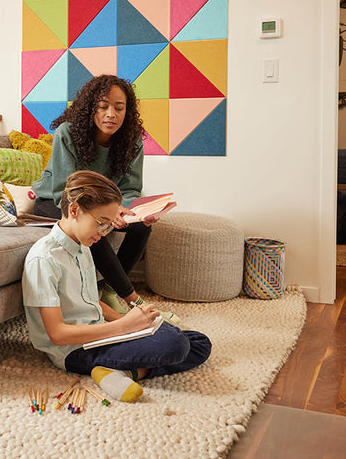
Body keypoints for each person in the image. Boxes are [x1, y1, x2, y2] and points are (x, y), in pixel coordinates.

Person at [22, 170, 212, 402]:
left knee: (199, 342)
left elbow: (90, 301)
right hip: (74, 350)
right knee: (175, 344)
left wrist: (137, 320)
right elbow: (57, 334)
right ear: (74, 210)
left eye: (108, 225)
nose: (103, 233)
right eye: (101, 223)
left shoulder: (82, 247)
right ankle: (119, 368)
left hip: (101, 334)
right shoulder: (44, 259)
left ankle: (123, 372)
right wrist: (125, 326)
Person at [31, 74, 179, 325]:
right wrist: (110, 212)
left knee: (140, 226)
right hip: (58, 200)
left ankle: (109, 292)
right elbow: (66, 189)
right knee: (91, 223)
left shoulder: (132, 140)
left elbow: (131, 189)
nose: (111, 113)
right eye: (103, 106)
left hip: (104, 204)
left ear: (127, 111)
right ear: (91, 108)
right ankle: (134, 301)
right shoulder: (67, 133)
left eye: (119, 108)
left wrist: (128, 211)